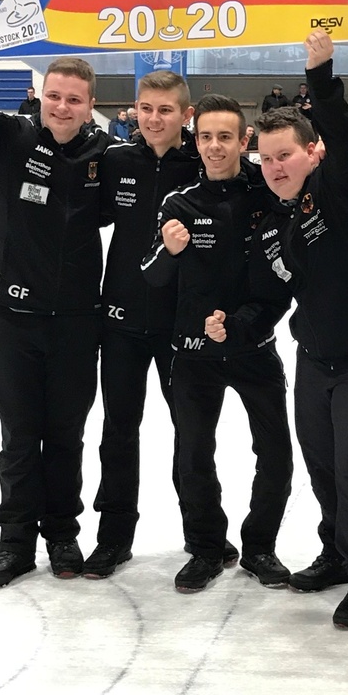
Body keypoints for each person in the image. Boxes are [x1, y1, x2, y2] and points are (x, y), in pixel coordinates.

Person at [0, 0, 112, 589]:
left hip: (76, 323)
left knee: (66, 434)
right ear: (41, 99)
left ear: (91, 106)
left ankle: (62, 535)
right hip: (12, 320)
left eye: (74, 99)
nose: (62, 107)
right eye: (55, 97)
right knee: (19, 436)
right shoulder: (8, 139)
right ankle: (14, 542)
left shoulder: (105, 157)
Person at [248, 32, 348, 630]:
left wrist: (322, 74)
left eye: (285, 154)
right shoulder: (281, 214)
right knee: (323, 464)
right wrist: (238, 323)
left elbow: (337, 125)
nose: (274, 166)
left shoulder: (340, 189)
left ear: (314, 152)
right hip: (315, 359)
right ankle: (336, 553)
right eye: (265, 158)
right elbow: (280, 291)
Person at [141, 94, 293, 593]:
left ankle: (259, 547)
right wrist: (170, 250)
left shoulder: (266, 192)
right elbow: (152, 277)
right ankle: (206, 548)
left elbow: (281, 280)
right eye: (205, 136)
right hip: (192, 355)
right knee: (193, 455)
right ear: (195, 138)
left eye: (225, 137)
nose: (213, 146)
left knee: (275, 454)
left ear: (243, 141)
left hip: (255, 349)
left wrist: (243, 323)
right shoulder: (178, 203)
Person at [83, 70, 217, 579]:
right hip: (120, 320)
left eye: (165, 110)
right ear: (133, 110)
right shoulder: (116, 161)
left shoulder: (201, 161)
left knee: (192, 433)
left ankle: (204, 540)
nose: (153, 118)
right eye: (145, 108)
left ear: (186, 115)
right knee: (118, 431)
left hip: (181, 325)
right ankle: (114, 537)